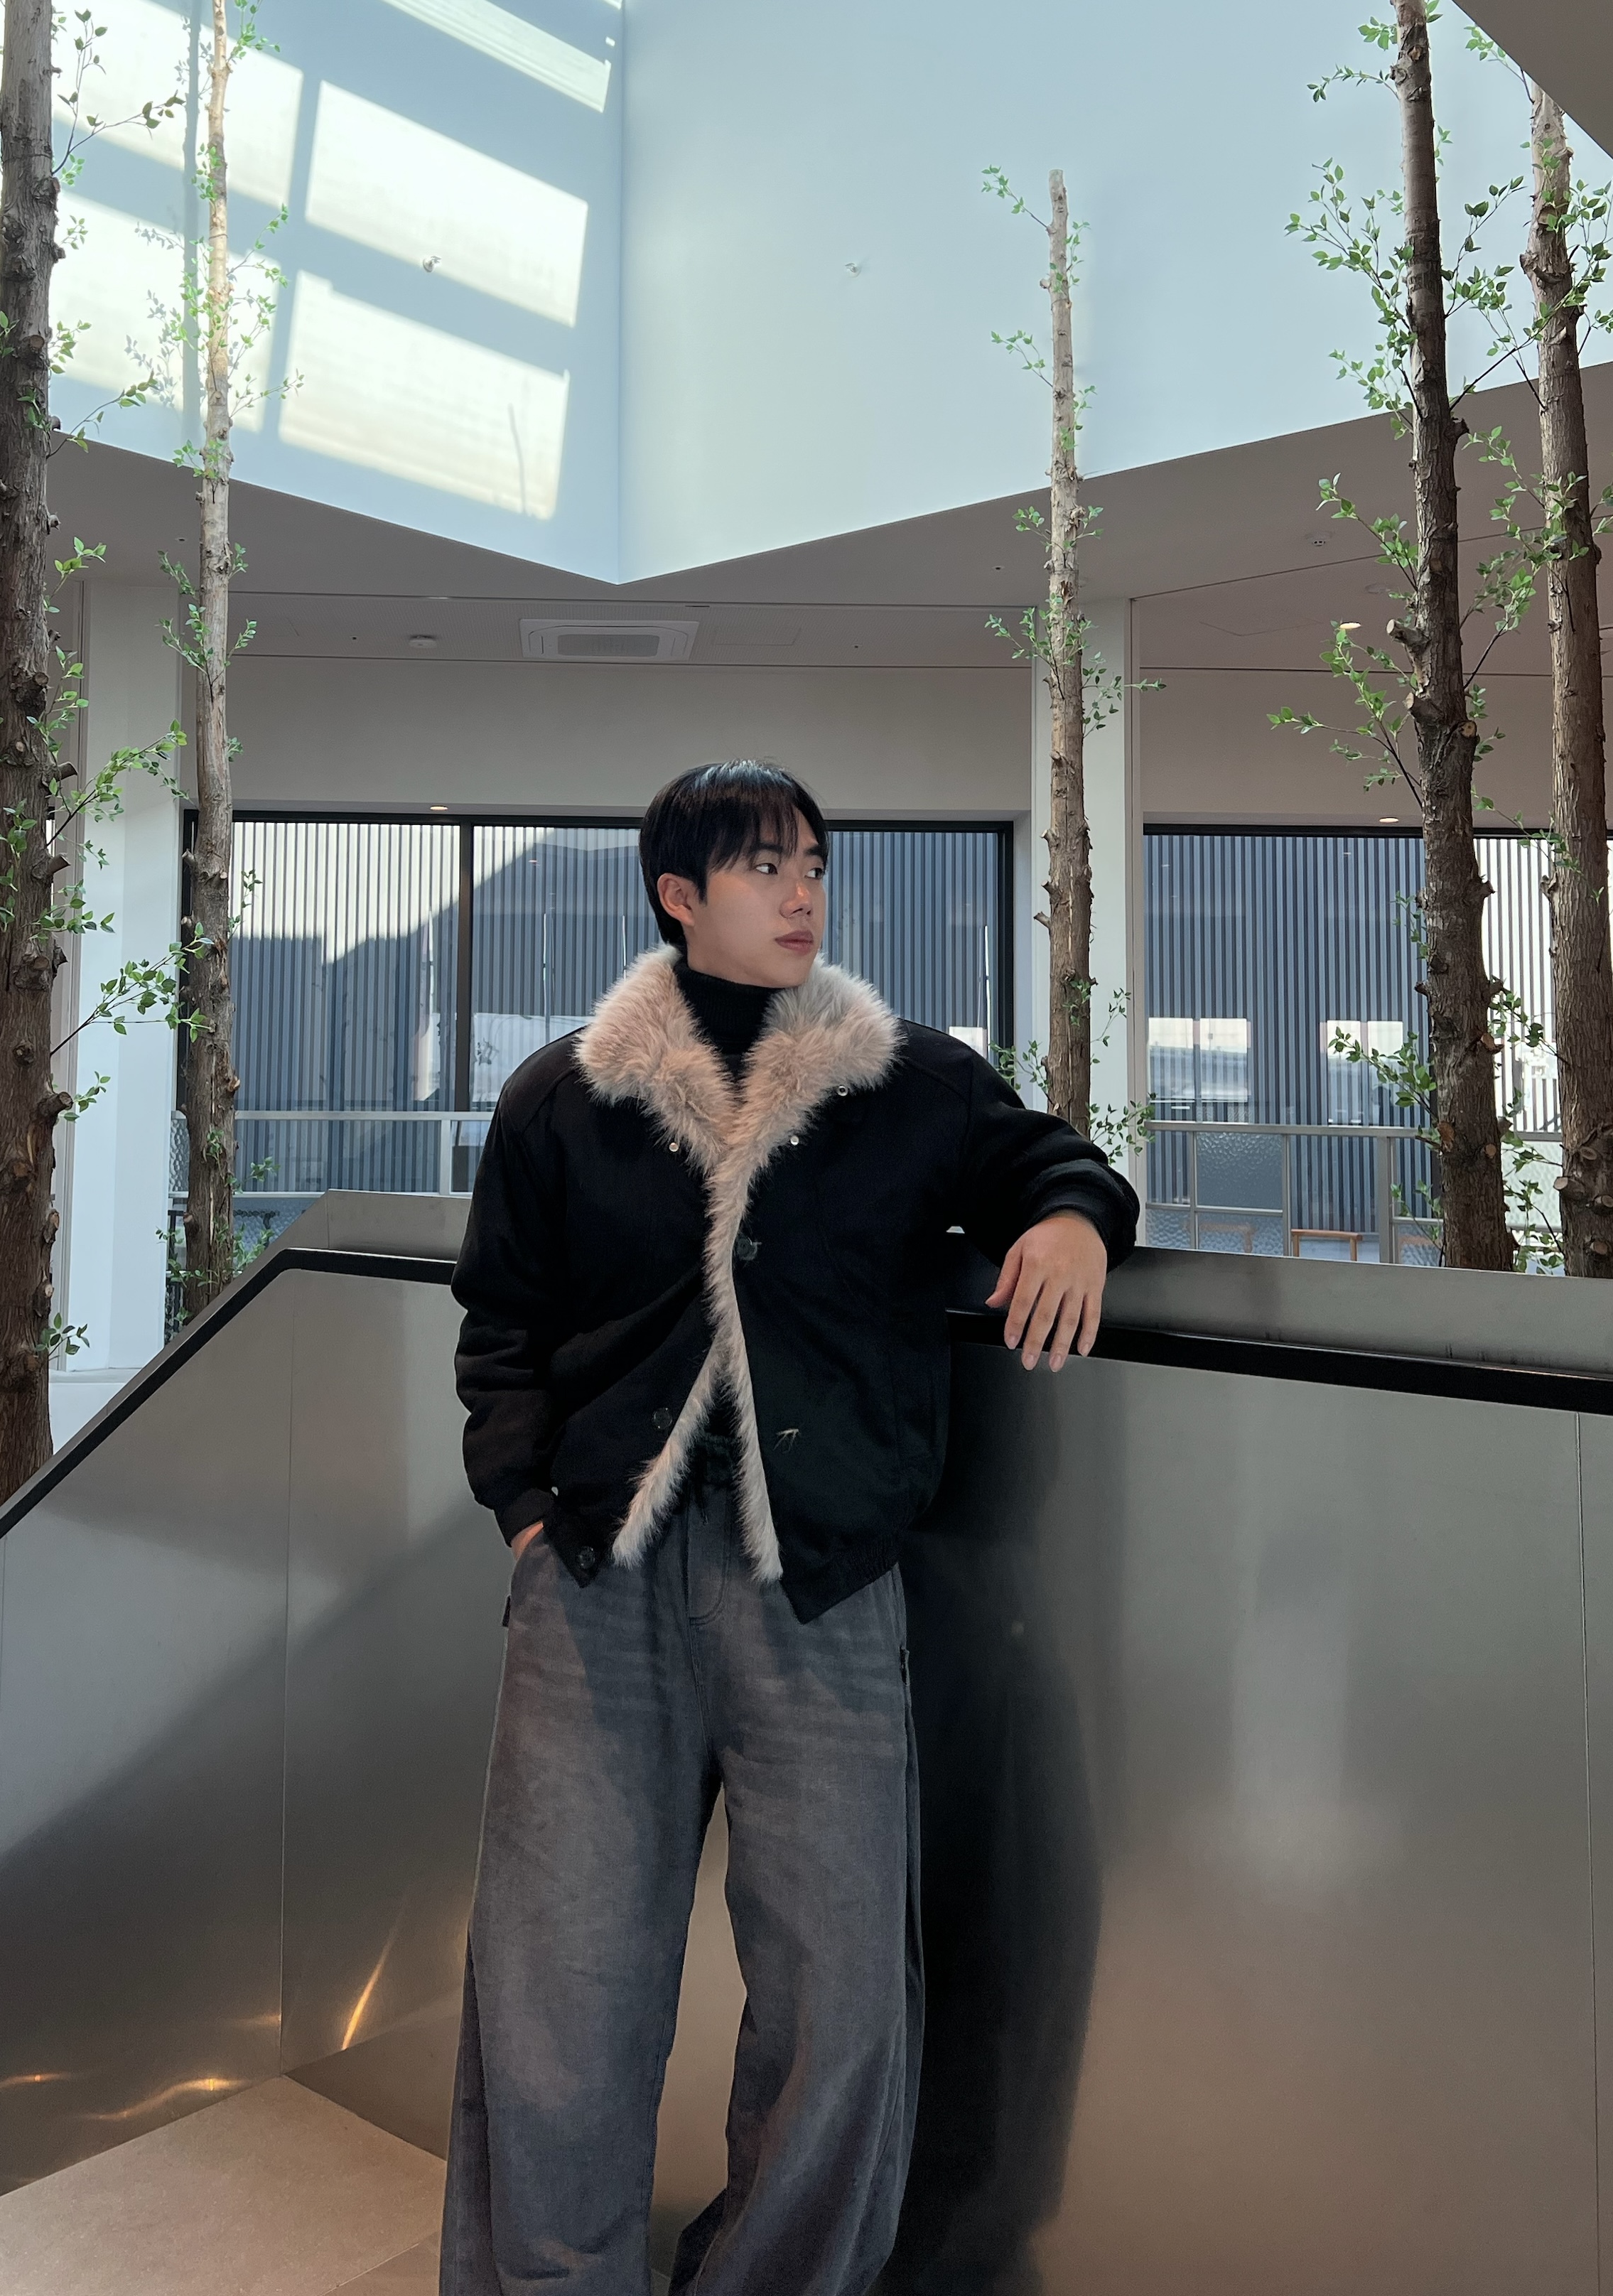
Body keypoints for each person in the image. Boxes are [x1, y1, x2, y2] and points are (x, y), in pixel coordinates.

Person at [441, 761, 1138, 2296]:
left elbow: (1053, 1161)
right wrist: (523, 1511)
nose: (803, 892)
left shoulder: (907, 1080)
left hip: (819, 1580)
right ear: (678, 895)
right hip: (597, 1572)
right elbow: (500, 1322)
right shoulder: (565, 1093)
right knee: (561, 1979)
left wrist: (1073, 1219)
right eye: (765, 866)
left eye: (814, 863)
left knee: (842, 1989)